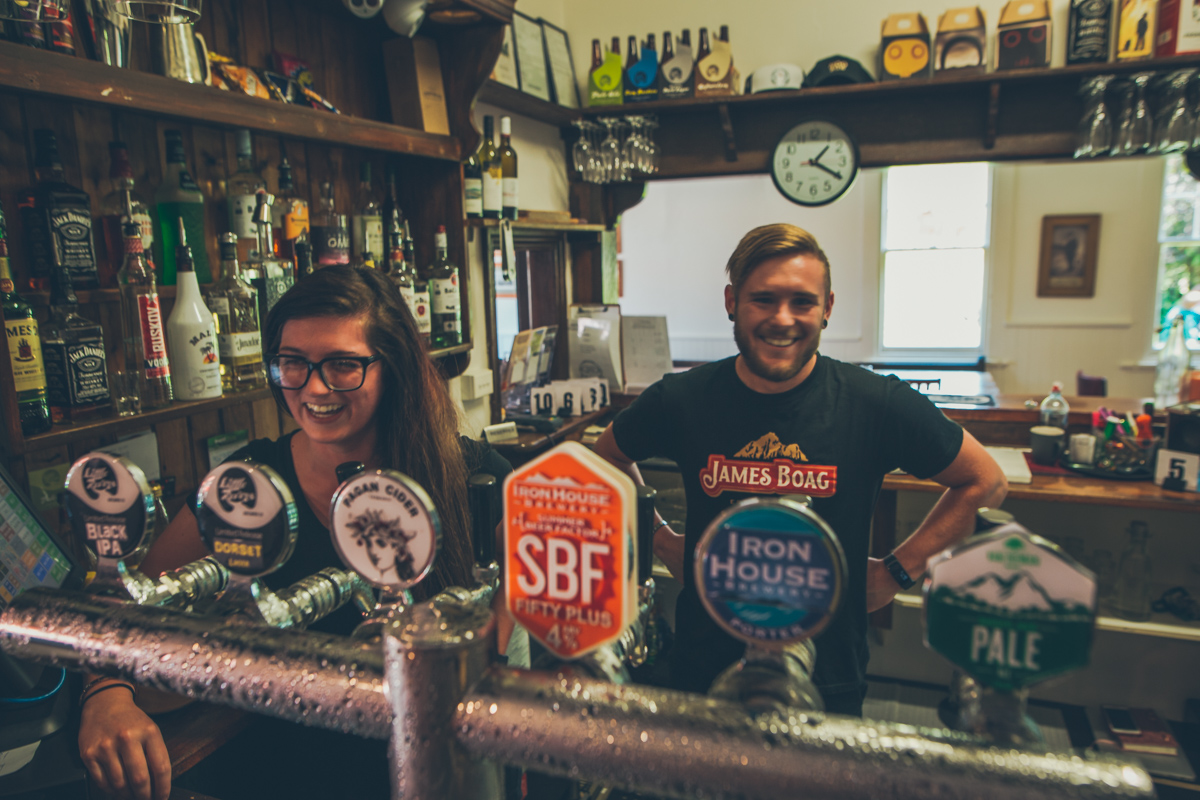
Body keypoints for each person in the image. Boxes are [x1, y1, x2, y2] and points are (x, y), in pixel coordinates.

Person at [77, 265, 512, 800]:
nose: (314, 387)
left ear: (392, 366)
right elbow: (127, 606)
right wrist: (107, 696)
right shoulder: (249, 486)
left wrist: (487, 658)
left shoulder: (463, 473)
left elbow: (537, 571)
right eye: (293, 364)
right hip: (293, 774)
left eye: (343, 365)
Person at [593, 224, 1007, 716]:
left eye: (802, 302)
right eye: (763, 300)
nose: (782, 319)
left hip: (825, 672)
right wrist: (661, 539)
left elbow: (986, 480)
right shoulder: (682, 398)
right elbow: (603, 460)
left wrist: (898, 571)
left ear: (827, 307)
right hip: (705, 662)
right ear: (731, 302)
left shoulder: (874, 402)